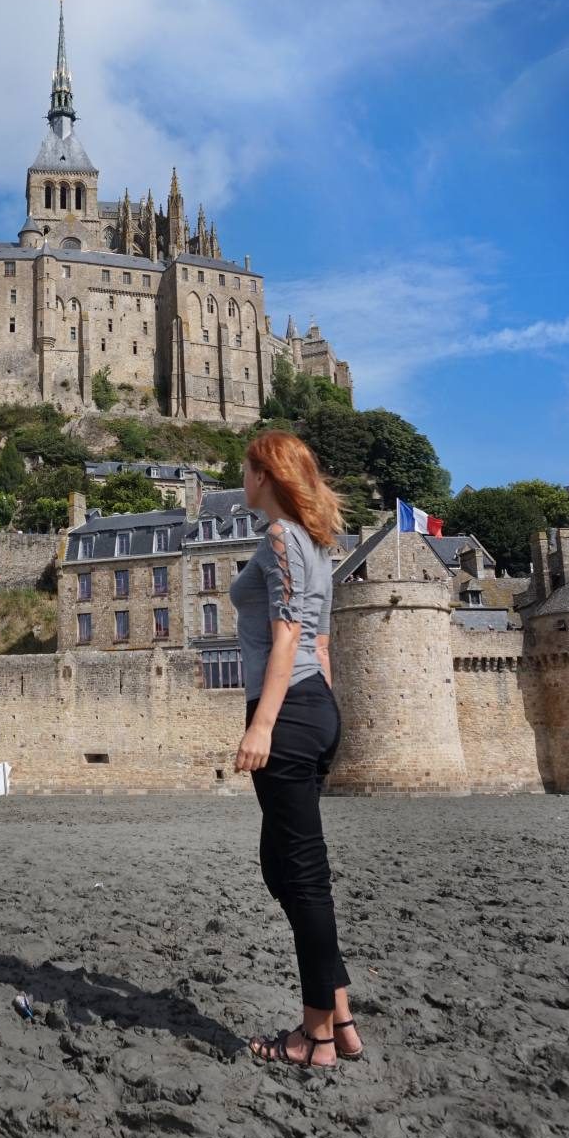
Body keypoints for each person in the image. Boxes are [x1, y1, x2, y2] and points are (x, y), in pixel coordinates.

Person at [230, 429, 359, 1071]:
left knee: (303, 879)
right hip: (316, 708)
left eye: (247, 469)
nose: (241, 478)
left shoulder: (281, 538)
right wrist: (323, 723)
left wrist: (265, 726)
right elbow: (323, 646)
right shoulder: (319, 545)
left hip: (287, 710)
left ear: (266, 476)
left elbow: (287, 639)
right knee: (283, 869)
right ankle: (340, 1013)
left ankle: (316, 1038)